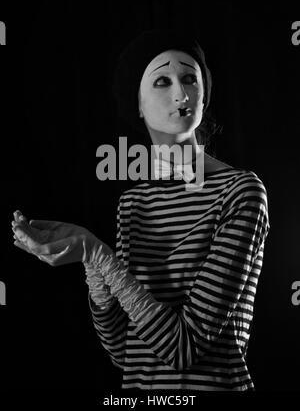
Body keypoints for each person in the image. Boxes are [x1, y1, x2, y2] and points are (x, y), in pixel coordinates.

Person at [12, 28, 270, 392]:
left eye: (189, 79)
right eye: (162, 81)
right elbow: (125, 351)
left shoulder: (239, 192)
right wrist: (92, 266)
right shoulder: (134, 203)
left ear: (204, 93)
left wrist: (97, 253)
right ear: (137, 103)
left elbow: (183, 349)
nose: (181, 94)